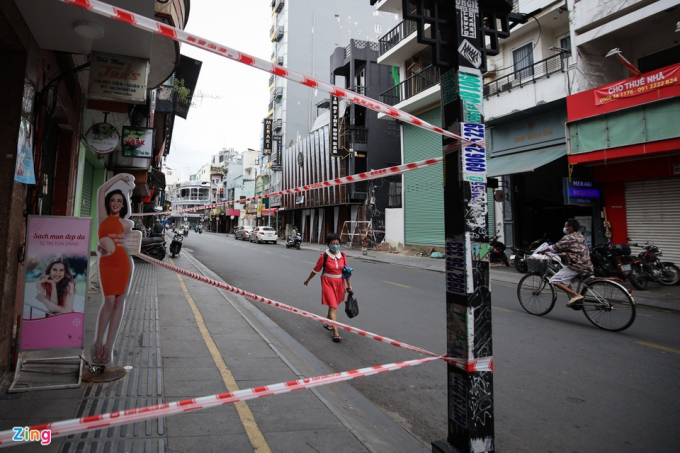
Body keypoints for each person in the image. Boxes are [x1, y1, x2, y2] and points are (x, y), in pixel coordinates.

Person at [94, 174, 135, 365]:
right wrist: (119, 178)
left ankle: (108, 346)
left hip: (123, 264)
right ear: (109, 202)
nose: (116, 203)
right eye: (113, 200)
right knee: (109, 301)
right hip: (107, 264)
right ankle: (97, 344)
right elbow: (101, 190)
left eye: (119, 200)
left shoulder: (127, 224)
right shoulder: (103, 217)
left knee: (119, 302)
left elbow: (123, 245)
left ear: (123, 203)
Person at [304, 233, 353, 343]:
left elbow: (346, 271)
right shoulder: (324, 256)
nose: (335, 246)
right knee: (333, 306)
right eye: (332, 244)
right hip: (327, 281)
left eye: (337, 244)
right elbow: (316, 269)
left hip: (339, 282)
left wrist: (349, 286)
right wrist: (308, 279)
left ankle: (328, 323)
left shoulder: (343, 255)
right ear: (328, 244)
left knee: (333, 306)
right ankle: (336, 332)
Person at [539, 218, 594, 307]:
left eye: (565, 227)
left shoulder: (568, 237)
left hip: (577, 266)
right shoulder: (581, 236)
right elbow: (577, 248)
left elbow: (555, 247)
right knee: (565, 279)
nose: (564, 228)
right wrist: (565, 252)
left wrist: (542, 251)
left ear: (570, 228)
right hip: (587, 265)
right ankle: (573, 297)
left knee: (554, 280)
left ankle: (576, 295)